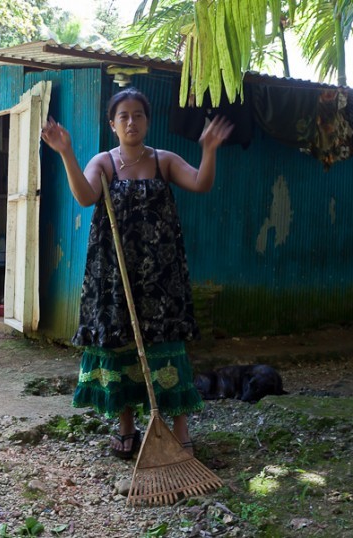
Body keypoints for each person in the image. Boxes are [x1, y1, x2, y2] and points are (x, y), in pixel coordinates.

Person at [41, 88, 233, 458]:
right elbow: (85, 196)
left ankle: (177, 430)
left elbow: (201, 183)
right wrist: (66, 152)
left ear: (148, 121)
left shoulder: (164, 160)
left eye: (138, 115)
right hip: (114, 273)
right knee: (119, 342)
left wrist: (208, 151)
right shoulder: (103, 163)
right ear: (113, 124)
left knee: (166, 345)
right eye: (123, 116)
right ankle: (127, 427)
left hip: (161, 275)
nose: (132, 122)